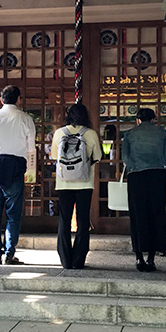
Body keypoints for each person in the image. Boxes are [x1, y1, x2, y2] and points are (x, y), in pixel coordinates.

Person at [0, 85, 36, 265]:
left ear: (1, 100)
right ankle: (9, 254)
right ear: (19, 99)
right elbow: (30, 148)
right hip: (15, 165)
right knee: (13, 213)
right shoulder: (26, 119)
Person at [50, 104, 102, 269]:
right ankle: (78, 260)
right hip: (84, 183)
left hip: (64, 183)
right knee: (83, 220)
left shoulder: (60, 133)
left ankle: (65, 259)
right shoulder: (90, 133)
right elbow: (98, 156)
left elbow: (53, 155)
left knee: (64, 220)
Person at [121, 108, 166, 272]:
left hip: (136, 176)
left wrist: (134, 167)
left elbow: (125, 158)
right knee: (156, 214)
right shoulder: (162, 133)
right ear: (153, 119)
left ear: (137, 120)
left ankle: (138, 257)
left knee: (138, 215)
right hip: (157, 175)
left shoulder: (129, 134)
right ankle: (151, 258)